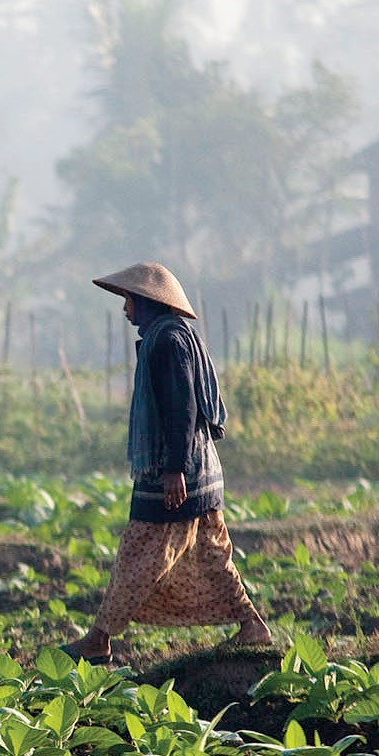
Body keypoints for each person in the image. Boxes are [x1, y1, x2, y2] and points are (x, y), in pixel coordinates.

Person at [63, 261, 272, 663]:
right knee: (212, 552)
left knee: (139, 551)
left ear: (145, 302)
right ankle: (252, 624)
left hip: (180, 472)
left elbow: (183, 408)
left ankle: (100, 637)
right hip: (200, 470)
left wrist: (174, 469)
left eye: (128, 300)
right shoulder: (167, 336)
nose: (125, 308)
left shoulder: (168, 342)